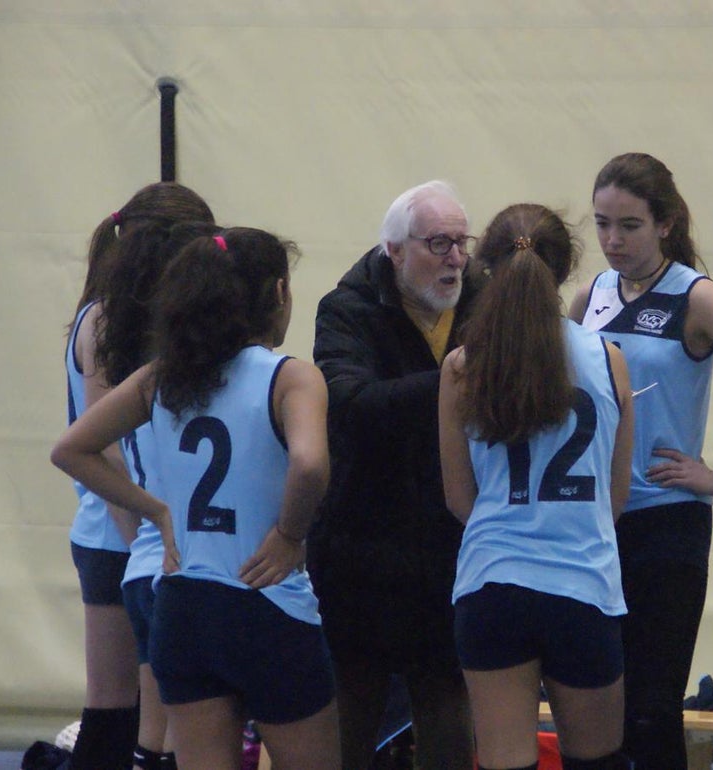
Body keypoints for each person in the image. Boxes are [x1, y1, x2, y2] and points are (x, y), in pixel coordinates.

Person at [53, 227, 340, 770]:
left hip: (183, 607)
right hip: (266, 602)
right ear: (278, 294)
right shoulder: (291, 376)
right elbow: (309, 462)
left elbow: (71, 449)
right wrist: (289, 534)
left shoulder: (162, 377)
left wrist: (155, 510)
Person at [568, 153, 713, 770]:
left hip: (667, 523)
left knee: (653, 707)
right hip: (598, 522)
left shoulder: (696, 297)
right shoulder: (592, 296)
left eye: (629, 225)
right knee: (601, 704)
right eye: (602, 224)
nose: (612, 240)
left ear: (665, 224)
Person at [439, 204, 635, 770]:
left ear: (486, 269)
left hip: (491, 580)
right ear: (566, 268)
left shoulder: (461, 366)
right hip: (583, 582)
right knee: (595, 761)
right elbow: (614, 497)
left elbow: (460, 500)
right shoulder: (608, 358)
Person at [308, 180, 480, 769]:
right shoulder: (345, 309)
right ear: (395, 251)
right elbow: (350, 408)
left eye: (462, 242)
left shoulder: (482, 299)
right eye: (439, 243)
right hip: (361, 549)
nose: (455, 259)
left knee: (451, 723)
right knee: (349, 725)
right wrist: (454, 380)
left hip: (453, 546)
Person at [63, 182, 213, 770]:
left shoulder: (146, 317)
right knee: (126, 711)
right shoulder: (105, 321)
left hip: (140, 534)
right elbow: (110, 451)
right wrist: (148, 547)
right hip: (119, 534)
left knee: (147, 711)